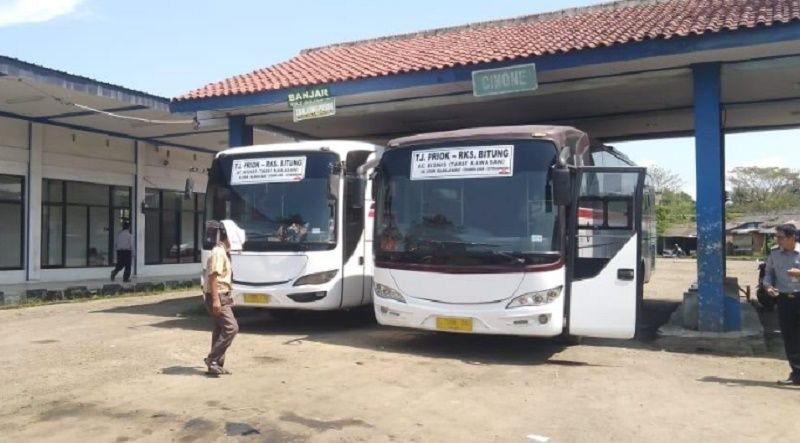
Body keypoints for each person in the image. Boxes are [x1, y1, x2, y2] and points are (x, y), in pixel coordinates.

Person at [203, 220, 246, 376]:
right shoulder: (218, 252)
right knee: (231, 328)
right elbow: (213, 277)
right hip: (217, 296)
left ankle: (216, 364)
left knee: (220, 328)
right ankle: (212, 359)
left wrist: (228, 297)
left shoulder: (223, 252)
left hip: (222, 295)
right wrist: (216, 300)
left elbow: (223, 278)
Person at [762, 223, 800, 386]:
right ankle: (797, 374)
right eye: (776, 237)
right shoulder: (775, 254)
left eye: (781, 237)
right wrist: (768, 286)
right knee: (790, 338)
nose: (777, 240)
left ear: (793, 238)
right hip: (785, 299)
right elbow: (768, 273)